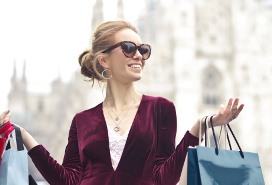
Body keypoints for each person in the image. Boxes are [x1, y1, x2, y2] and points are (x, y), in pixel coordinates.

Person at [0, 20, 244, 185]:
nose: (138, 54)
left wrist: (199, 126)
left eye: (143, 49)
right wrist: (22, 135)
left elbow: (164, 180)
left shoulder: (161, 109)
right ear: (104, 60)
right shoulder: (82, 120)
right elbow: (69, 181)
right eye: (128, 48)